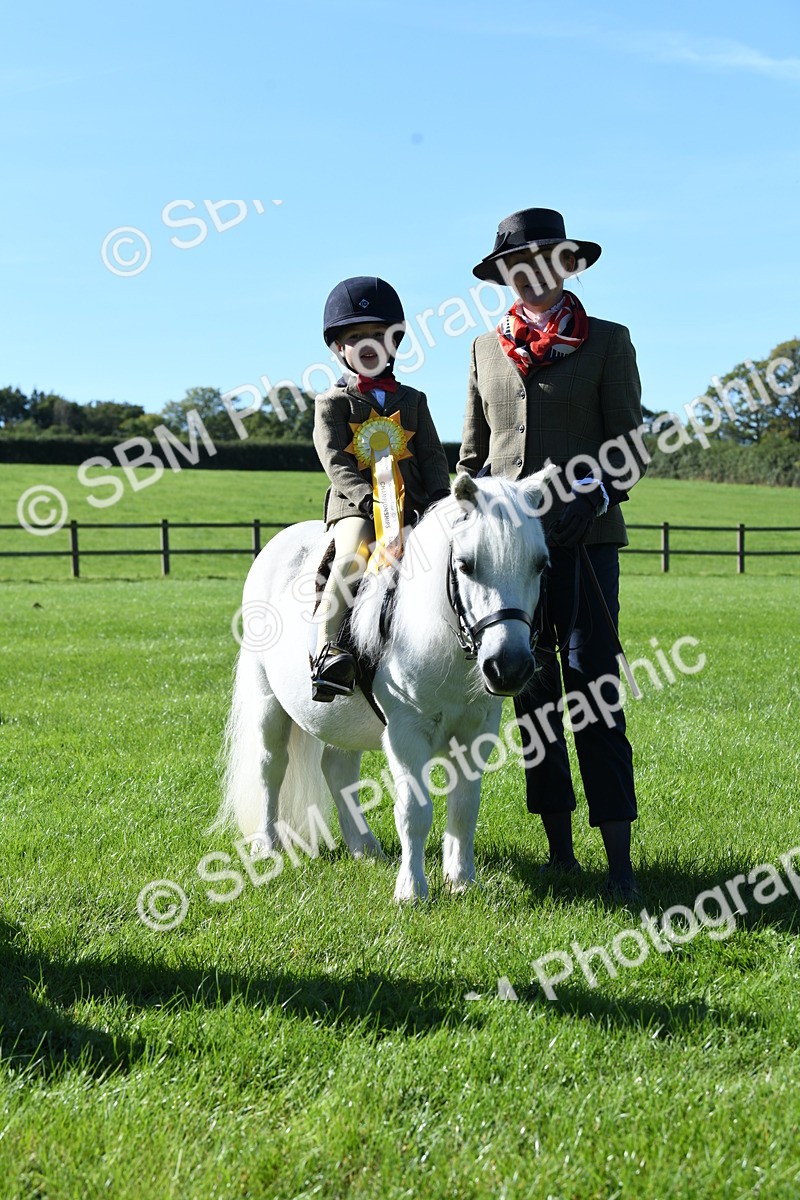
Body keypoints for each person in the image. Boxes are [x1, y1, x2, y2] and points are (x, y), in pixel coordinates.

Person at [457, 208, 648, 901]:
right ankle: (560, 853)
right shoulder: (483, 350)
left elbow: (629, 447)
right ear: (504, 275)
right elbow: (474, 457)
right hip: (513, 556)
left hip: (584, 541)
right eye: (517, 266)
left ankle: (620, 861)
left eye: (545, 261)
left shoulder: (608, 343)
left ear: (568, 265)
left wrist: (590, 499)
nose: (531, 275)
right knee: (532, 699)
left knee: (594, 691)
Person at [311, 276, 451, 702]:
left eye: (378, 335)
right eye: (356, 336)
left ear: (395, 343)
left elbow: (431, 456)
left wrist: (442, 504)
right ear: (339, 347)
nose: (368, 344)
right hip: (356, 507)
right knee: (354, 550)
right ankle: (327, 648)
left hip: (415, 507)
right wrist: (367, 499)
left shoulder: (414, 399)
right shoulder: (333, 403)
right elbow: (334, 459)